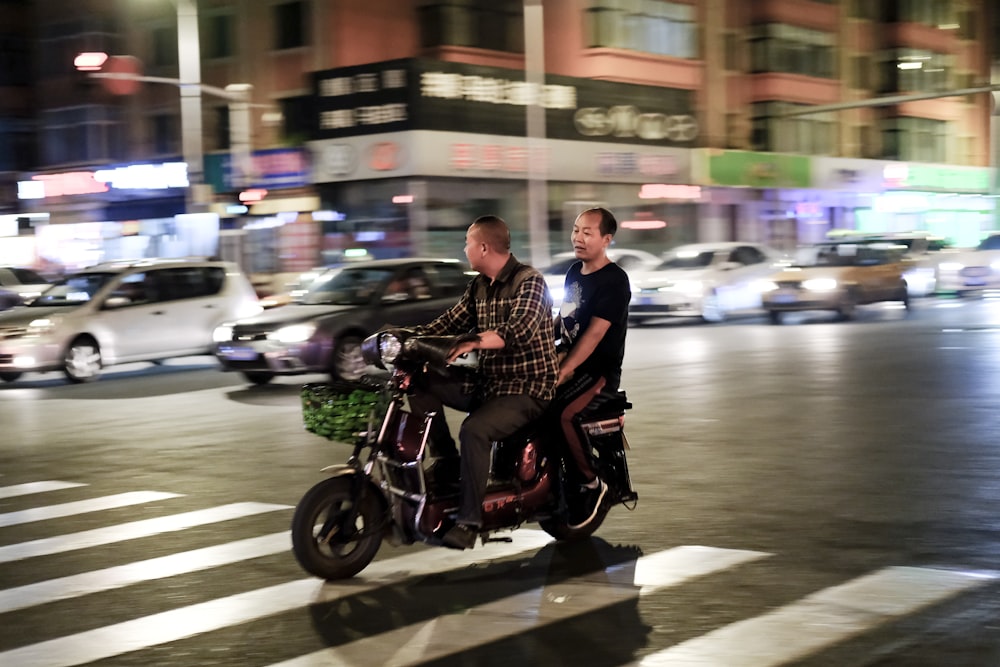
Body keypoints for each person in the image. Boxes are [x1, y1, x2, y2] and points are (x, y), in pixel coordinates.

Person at [408, 215, 559, 550]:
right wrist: (408, 338)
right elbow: (449, 321)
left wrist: (473, 341)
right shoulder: (478, 286)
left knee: (474, 430)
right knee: (419, 378)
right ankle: (446, 460)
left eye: (468, 243)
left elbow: (521, 329)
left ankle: (469, 522)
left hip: (527, 389)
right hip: (489, 384)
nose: (465, 249)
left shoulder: (529, 281)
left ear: (484, 247)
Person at [551, 207, 631, 529]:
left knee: (563, 414)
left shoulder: (615, 280)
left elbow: (595, 334)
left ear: (606, 239)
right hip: (569, 360)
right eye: (575, 230)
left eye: (587, 232)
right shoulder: (573, 272)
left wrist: (564, 369)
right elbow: (565, 318)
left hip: (597, 373)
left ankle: (592, 483)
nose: (578, 238)